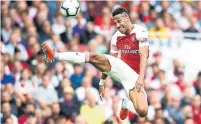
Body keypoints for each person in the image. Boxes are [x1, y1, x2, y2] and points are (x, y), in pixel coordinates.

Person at [42, 7, 149, 119]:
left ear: (126, 18)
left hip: (134, 76)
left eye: (119, 21)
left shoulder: (140, 31)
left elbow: (144, 55)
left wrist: (141, 78)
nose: (117, 25)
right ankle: (55, 55)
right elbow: (109, 62)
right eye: (115, 23)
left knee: (143, 111)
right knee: (93, 57)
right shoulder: (116, 37)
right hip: (120, 67)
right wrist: (102, 82)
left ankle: (126, 104)